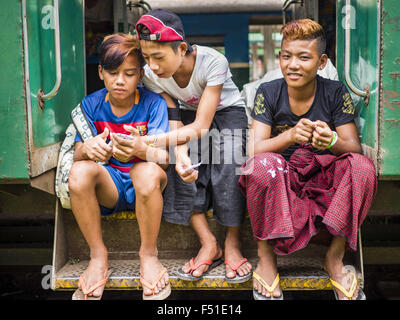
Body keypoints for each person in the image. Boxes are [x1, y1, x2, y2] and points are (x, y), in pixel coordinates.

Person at [238, 19, 377, 300]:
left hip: (322, 177)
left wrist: (332, 141)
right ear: (279, 58)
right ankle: (266, 257)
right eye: (286, 56)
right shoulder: (269, 92)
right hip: (283, 178)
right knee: (262, 166)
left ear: (322, 61)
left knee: (362, 167)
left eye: (304, 57)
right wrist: (289, 136)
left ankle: (335, 257)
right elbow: (254, 150)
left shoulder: (336, 92)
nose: (293, 64)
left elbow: (354, 148)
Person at [135, 9, 253, 283]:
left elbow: (202, 126)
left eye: (159, 57)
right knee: (179, 166)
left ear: (182, 48)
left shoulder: (213, 61)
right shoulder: (152, 75)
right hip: (186, 118)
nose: (152, 66)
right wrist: (180, 152)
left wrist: (150, 140)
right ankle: (208, 242)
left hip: (226, 113)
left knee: (231, 158)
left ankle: (233, 242)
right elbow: (173, 113)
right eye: (147, 57)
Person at [68, 33, 171, 300]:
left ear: (141, 74)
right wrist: (86, 149)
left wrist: (142, 150)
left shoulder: (154, 104)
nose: (120, 81)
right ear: (100, 72)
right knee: (78, 172)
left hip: (146, 187)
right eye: (113, 73)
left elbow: (165, 158)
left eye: (129, 73)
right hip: (110, 183)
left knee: (145, 170)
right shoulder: (90, 105)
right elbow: (76, 151)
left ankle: (148, 255)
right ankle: (98, 256)